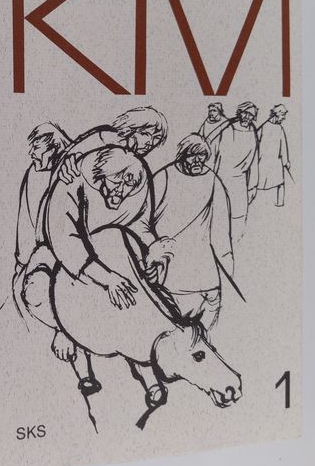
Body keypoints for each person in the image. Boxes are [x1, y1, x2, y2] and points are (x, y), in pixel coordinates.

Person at [21, 146, 171, 396]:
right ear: (101, 173)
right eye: (116, 181)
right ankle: (67, 339)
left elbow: (141, 225)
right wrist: (106, 278)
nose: (121, 190)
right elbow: (65, 242)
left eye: (128, 185)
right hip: (63, 262)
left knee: (132, 303)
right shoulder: (72, 180)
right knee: (39, 291)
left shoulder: (138, 184)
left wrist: (153, 254)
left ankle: (150, 378)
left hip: (110, 255)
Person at [152, 134, 233, 332]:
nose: (198, 161)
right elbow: (146, 221)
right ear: (182, 156)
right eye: (192, 155)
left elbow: (221, 230)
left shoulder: (213, 180)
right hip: (172, 277)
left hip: (206, 275)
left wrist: (228, 268)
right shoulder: (163, 178)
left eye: (202, 156)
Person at [13, 122, 71, 314]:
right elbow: (25, 223)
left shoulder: (73, 168)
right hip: (37, 260)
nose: (31, 153)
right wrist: (21, 264)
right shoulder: (33, 173)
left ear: (54, 148)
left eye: (36, 148)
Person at [207, 101, 259, 237]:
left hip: (240, 180)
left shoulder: (253, 131)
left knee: (239, 214)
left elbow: (254, 161)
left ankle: (236, 240)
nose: (247, 117)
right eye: (245, 113)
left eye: (251, 115)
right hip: (221, 177)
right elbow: (212, 148)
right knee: (219, 214)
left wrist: (253, 186)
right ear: (240, 113)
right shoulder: (227, 127)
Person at [257, 104, 290, 206]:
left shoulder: (280, 128)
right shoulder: (263, 127)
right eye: (283, 115)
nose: (284, 118)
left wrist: (286, 161)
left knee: (280, 183)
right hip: (262, 161)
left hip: (276, 162)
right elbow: (255, 145)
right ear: (277, 114)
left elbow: (283, 147)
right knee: (257, 183)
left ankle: (280, 202)